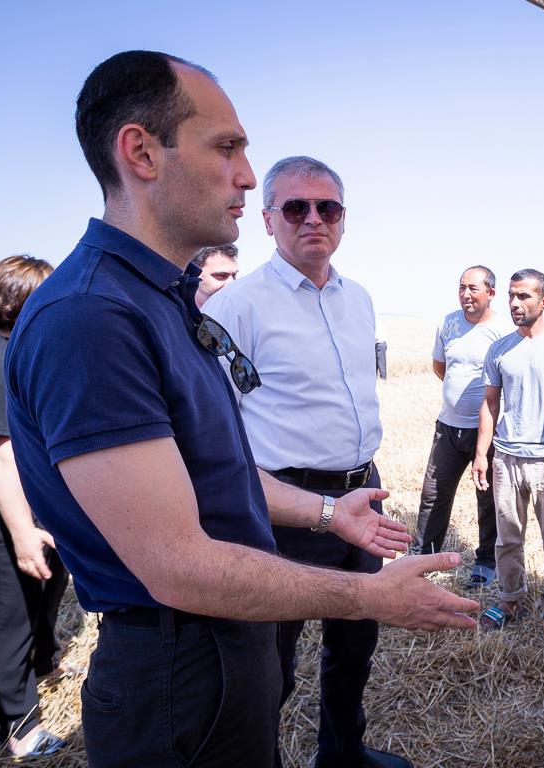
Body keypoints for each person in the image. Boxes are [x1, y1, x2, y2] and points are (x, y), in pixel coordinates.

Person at [4, 50, 478, 768]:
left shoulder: (155, 300)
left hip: (216, 645)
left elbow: (209, 470)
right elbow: (177, 565)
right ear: (141, 152)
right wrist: (366, 595)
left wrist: (329, 512)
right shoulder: (92, 317)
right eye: (226, 147)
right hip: (180, 668)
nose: (247, 174)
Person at [204, 155, 410, 768]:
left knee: (355, 641)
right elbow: (214, 428)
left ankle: (341, 755)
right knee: (272, 660)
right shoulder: (237, 307)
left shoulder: (359, 298)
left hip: (363, 492)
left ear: (344, 218)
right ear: (269, 220)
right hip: (286, 506)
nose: (314, 219)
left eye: (328, 208)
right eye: (296, 207)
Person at [0, 255, 69, 758]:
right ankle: (20, 727)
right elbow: (0, 458)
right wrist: (22, 533)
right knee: (10, 613)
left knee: (51, 581)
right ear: (20, 302)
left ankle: (44, 660)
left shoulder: (19, 351)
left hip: (32, 500)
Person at [472, 269, 544, 644]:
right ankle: (510, 600)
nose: (514, 303)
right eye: (511, 295)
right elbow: (490, 404)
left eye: (523, 296)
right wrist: (481, 454)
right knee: (507, 539)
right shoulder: (499, 349)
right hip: (506, 458)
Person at [411, 265, 510, 588]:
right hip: (448, 426)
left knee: (488, 498)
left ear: (491, 293)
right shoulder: (449, 323)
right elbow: (440, 366)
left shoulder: (503, 331)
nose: (466, 294)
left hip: (488, 430)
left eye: (473, 288)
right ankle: (423, 558)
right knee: (433, 494)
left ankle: (486, 562)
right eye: (461, 287)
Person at [191, 243, 239, 307]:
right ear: (196, 272)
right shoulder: (178, 310)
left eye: (234, 275)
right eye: (221, 275)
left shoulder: (237, 310)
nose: (231, 282)